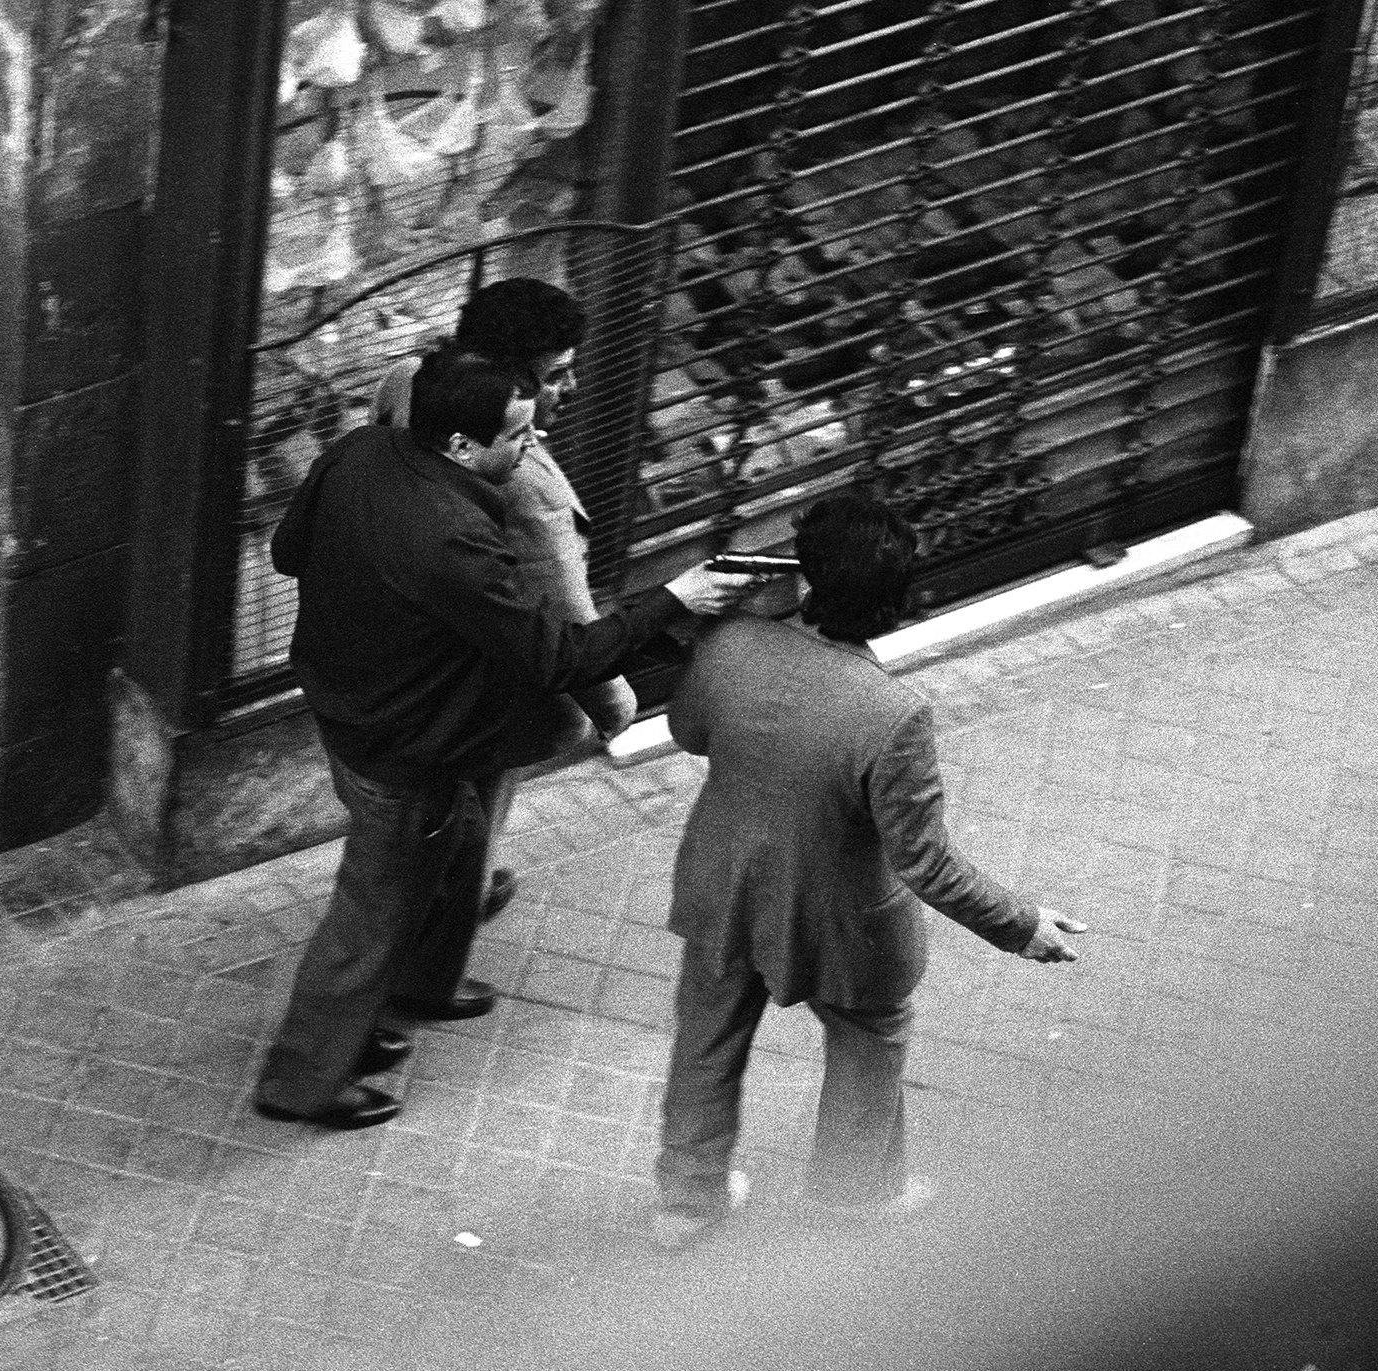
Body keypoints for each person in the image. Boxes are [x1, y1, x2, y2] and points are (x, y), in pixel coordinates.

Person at [254, 347, 762, 1131]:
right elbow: (560, 655)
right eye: (518, 437)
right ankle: (301, 1080)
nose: (532, 450)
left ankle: (417, 990)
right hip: (403, 748)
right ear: (460, 444)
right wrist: (675, 596)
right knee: (370, 913)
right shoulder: (453, 537)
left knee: (453, 846)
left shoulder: (356, 453)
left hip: (350, 711)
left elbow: (290, 551)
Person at [651, 493, 1087, 1247]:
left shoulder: (727, 647)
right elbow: (925, 861)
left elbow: (690, 733)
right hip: (841, 922)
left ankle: (687, 1202)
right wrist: (1022, 925)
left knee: (706, 1038)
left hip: (723, 889)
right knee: (870, 1035)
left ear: (807, 577)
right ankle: (854, 1189)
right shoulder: (894, 712)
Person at [373, 278, 636, 922]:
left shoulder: (410, 381)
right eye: (557, 376)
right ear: (513, 381)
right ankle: (436, 951)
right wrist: (616, 707)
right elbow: (568, 616)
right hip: (487, 686)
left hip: (404, 648)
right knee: (474, 819)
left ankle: (425, 903)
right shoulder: (528, 483)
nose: (570, 390)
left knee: (418, 814)